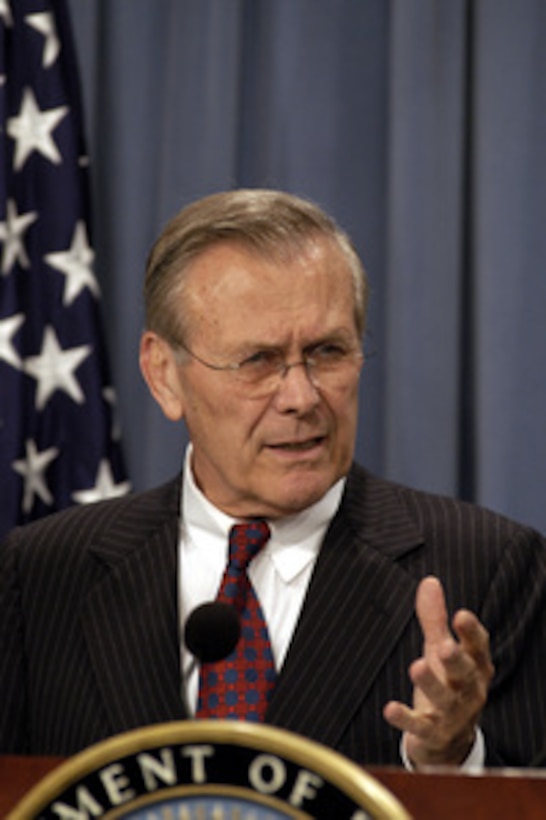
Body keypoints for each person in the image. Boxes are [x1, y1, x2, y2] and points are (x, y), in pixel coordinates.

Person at [1, 189, 545, 769]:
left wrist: (451, 759)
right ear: (164, 376)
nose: (301, 396)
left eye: (328, 351)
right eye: (257, 361)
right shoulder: (39, 578)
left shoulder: (489, 571)